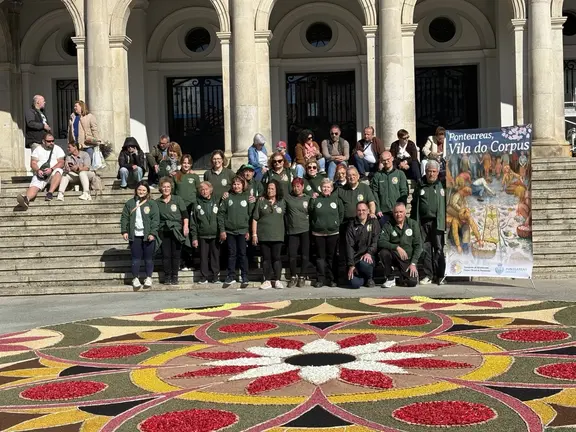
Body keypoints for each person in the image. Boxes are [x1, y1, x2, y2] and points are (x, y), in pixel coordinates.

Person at [410, 160, 446, 285]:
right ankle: (428, 275)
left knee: (439, 248)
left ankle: (440, 275)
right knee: (425, 249)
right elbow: (414, 204)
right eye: (429, 171)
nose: (431, 174)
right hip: (423, 222)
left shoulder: (442, 184)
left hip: (438, 222)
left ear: (437, 172)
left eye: (434, 171)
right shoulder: (420, 184)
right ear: (425, 171)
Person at [120, 181, 160, 289]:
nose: (141, 192)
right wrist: (124, 231)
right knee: (135, 258)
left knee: (149, 258)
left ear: (147, 191)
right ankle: (135, 278)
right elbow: (124, 218)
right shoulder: (130, 203)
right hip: (135, 235)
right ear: (136, 190)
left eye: (143, 190)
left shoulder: (152, 203)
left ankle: (148, 277)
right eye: (139, 189)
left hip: (148, 235)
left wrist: (153, 233)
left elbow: (155, 219)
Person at [218, 176, 253, 287]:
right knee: (231, 254)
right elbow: (221, 214)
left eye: (238, 184)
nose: (236, 186)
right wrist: (222, 230)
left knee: (243, 254)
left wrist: (249, 230)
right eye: (234, 184)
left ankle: (244, 276)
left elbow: (251, 216)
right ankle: (231, 275)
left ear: (243, 185)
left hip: (243, 231)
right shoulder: (227, 197)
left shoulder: (247, 198)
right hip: (230, 231)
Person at [252, 180, 286, 290]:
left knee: (276, 258)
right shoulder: (261, 201)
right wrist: (254, 234)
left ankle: (277, 280)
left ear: (277, 190)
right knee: (266, 258)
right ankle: (266, 280)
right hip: (264, 235)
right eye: (268, 188)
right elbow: (255, 218)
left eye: (272, 189)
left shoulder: (282, 202)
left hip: (277, 235)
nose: (269, 190)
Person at [378, 202, 422, 288]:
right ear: (393, 213)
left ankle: (401, 278)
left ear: (405, 212)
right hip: (394, 256)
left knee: (412, 282)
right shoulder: (388, 225)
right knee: (383, 252)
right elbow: (381, 241)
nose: (398, 214)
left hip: (407, 259)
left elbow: (418, 245)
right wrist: (397, 247)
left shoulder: (413, 224)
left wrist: (413, 263)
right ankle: (390, 278)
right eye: (396, 212)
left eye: (401, 212)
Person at [309, 178, 343, 288]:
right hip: (318, 234)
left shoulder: (336, 200)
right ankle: (320, 279)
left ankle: (331, 279)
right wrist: (312, 200)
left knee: (331, 257)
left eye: (328, 187)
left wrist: (335, 224)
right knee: (320, 258)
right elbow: (310, 211)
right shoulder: (316, 199)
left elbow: (341, 214)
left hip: (333, 233)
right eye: (324, 187)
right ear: (320, 188)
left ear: (332, 188)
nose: (326, 188)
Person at [17, 132, 64, 209]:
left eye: (53, 140)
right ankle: (26, 199)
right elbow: (33, 163)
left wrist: (51, 169)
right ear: (43, 141)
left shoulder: (58, 149)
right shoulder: (37, 149)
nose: (51, 143)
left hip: (53, 173)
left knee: (58, 171)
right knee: (35, 185)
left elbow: (61, 162)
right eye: (49, 141)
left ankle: (50, 193)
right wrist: (38, 170)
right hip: (41, 173)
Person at [156, 177, 189, 285]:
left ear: (171, 188)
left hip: (176, 230)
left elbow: (185, 215)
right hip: (164, 230)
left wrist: (185, 226)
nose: (166, 189)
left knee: (176, 254)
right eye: (164, 187)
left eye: (168, 187)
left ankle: (175, 276)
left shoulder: (178, 199)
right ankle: (167, 276)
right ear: (160, 188)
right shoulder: (157, 202)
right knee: (166, 255)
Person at [174, 153, 200, 271]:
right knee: (182, 234)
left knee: (192, 232)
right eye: (184, 162)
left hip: (192, 209)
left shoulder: (194, 177)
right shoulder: (176, 176)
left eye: (188, 163)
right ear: (181, 163)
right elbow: (172, 193)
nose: (186, 165)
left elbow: (199, 192)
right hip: (180, 210)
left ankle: (193, 261)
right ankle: (183, 261)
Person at [190, 181, 220, 284]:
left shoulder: (217, 201)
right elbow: (193, 222)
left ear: (210, 190)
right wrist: (194, 237)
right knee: (203, 257)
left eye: (206, 189)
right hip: (202, 235)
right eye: (202, 190)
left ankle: (216, 276)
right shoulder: (196, 203)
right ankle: (204, 277)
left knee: (215, 256)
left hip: (215, 234)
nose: (204, 191)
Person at [346, 202, 380, 289]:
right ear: (356, 212)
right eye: (359, 210)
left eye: (364, 210)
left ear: (368, 211)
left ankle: (370, 278)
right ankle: (364, 279)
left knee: (364, 263)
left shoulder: (374, 222)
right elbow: (349, 246)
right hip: (357, 259)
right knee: (354, 284)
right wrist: (351, 265)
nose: (361, 212)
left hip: (370, 257)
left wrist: (369, 253)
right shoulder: (351, 225)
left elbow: (375, 241)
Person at [285, 178, 311, 288]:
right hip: (292, 231)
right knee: (292, 255)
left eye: (298, 186)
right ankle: (293, 276)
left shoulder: (308, 199)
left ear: (302, 186)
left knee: (305, 255)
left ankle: (302, 276)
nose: (296, 188)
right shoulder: (288, 198)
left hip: (305, 230)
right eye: (294, 186)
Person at [371, 151, 408, 225]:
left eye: (388, 159)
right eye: (384, 160)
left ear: (392, 158)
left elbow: (404, 191)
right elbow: (374, 193)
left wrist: (401, 207)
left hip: (397, 212)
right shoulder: (377, 175)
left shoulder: (400, 174)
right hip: (383, 212)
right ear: (381, 161)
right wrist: (377, 209)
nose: (386, 162)